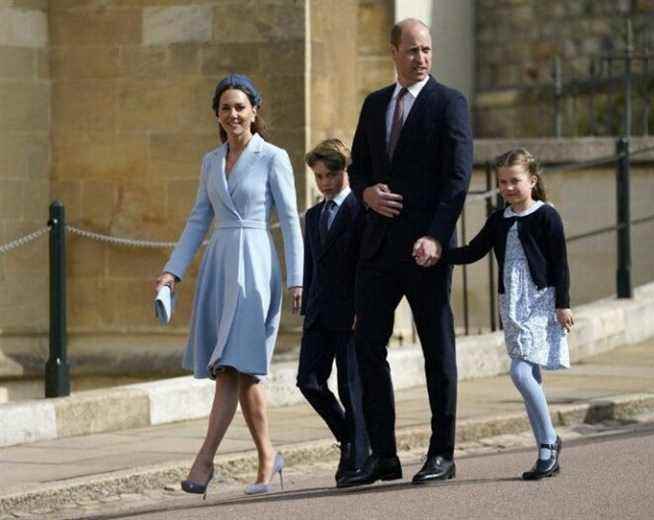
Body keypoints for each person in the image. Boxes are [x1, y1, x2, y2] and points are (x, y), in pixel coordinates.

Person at [337, 18, 473, 488]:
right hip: (377, 251)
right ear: (393, 51)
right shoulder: (375, 105)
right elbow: (357, 170)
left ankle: (443, 453)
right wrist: (367, 193)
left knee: (438, 350)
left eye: (428, 50)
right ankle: (385, 457)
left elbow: (458, 181)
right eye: (413, 50)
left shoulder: (448, 103)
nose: (422, 59)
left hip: (425, 252)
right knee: (367, 349)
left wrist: (437, 236)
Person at [154, 73, 304, 498]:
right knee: (242, 371)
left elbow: (291, 221)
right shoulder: (209, 162)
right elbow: (197, 220)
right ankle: (268, 457)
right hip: (221, 266)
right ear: (217, 116)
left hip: (256, 268)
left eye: (240, 107)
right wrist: (172, 272)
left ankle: (204, 461)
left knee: (229, 369)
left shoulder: (273, 157)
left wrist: (297, 278)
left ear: (255, 111)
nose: (233, 114)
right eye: (225, 108)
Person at [443, 148, 573, 480]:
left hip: (540, 302)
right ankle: (545, 448)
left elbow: (560, 262)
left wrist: (563, 304)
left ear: (532, 180)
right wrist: (439, 255)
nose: (508, 188)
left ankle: (549, 443)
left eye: (515, 181)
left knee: (519, 373)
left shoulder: (547, 215)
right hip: (511, 303)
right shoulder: (499, 219)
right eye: (503, 182)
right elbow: (474, 250)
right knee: (531, 377)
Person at [297, 138, 370, 485]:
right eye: (319, 176)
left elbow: (365, 266)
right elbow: (311, 265)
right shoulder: (313, 216)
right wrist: (308, 307)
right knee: (308, 381)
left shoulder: (360, 209)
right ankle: (350, 437)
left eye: (331, 175)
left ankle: (356, 460)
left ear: (345, 172)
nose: (325, 183)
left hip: (351, 313)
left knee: (349, 386)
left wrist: (363, 307)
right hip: (319, 313)